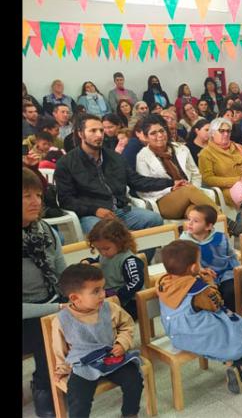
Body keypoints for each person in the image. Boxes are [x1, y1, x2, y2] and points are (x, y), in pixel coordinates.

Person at [157, 240, 242, 393]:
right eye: (198, 262)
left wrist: (195, 276)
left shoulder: (163, 282)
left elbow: (182, 284)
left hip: (174, 334)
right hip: (195, 334)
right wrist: (209, 282)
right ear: (193, 267)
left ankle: (235, 359)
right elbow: (216, 304)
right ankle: (235, 364)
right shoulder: (200, 290)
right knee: (239, 325)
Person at [52, 264, 143, 418]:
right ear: (75, 297)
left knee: (134, 379)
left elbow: (127, 325)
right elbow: (59, 348)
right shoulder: (61, 320)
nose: (103, 294)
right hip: (83, 364)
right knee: (78, 397)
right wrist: (62, 369)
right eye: (96, 291)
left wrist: (122, 343)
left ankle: (129, 414)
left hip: (112, 357)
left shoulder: (110, 308)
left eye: (102, 288)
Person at [55, 114, 169, 235]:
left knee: (154, 220)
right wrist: (95, 210)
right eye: (93, 131)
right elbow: (66, 199)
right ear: (80, 134)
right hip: (92, 215)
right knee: (107, 232)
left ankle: (137, 254)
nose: (99, 135)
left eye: (101, 130)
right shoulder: (66, 163)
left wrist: (170, 182)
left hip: (121, 210)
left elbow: (137, 181)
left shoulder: (115, 157)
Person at [23, 167, 68, 418]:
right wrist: (57, 309)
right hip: (29, 314)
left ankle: (70, 378)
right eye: (27, 196)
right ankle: (44, 387)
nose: (36, 202)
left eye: (38, 196)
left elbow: (61, 273)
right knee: (47, 329)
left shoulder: (46, 231)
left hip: (51, 302)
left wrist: (77, 294)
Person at [135, 115, 218, 219]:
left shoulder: (181, 148)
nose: (160, 135)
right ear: (146, 137)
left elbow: (195, 173)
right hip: (163, 200)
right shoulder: (142, 156)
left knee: (194, 211)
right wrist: (172, 189)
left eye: (162, 131)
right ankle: (226, 221)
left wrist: (195, 189)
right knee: (189, 190)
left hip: (190, 194)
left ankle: (218, 230)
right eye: (153, 133)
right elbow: (145, 188)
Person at [180, 205, 242, 314]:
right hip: (200, 277)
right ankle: (211, 323)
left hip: (224, 274)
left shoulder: (221, 237)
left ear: (208, 226)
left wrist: (236, 272)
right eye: (189, 219)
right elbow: (186, 266)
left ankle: (232, 319)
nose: (189, 223)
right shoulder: (184, 243)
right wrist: (201, 272)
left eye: (195, 221)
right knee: (204, 296)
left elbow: (231, 256)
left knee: (231, 290)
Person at [82, 218, 145, 319]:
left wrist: (118, 296)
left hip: (129, 302)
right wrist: (88, 261)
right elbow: (98, 259)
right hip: (109, 297)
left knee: (96, 317)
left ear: (120, 242)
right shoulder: (106, 255)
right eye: (99, 249)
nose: (103, 253)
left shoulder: (129, 260)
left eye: (106, 248)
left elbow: (136, 281)